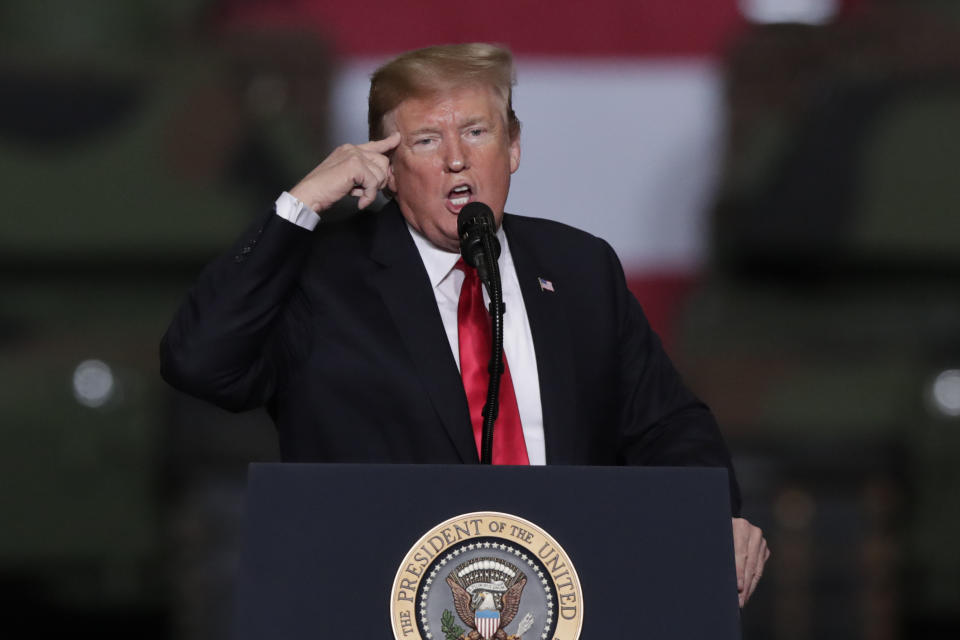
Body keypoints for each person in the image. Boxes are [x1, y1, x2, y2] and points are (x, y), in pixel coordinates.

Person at [160, 43, 769, 606]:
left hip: (566, 603)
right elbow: (200, 361)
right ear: (387, 169)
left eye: (477, 132)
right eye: (425, 141)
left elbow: (666, 422)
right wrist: (300, 207)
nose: (457, 158)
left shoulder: (579, 269)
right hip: (367, 605)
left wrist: (711, 512)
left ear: (513, 149)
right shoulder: (323, 278)